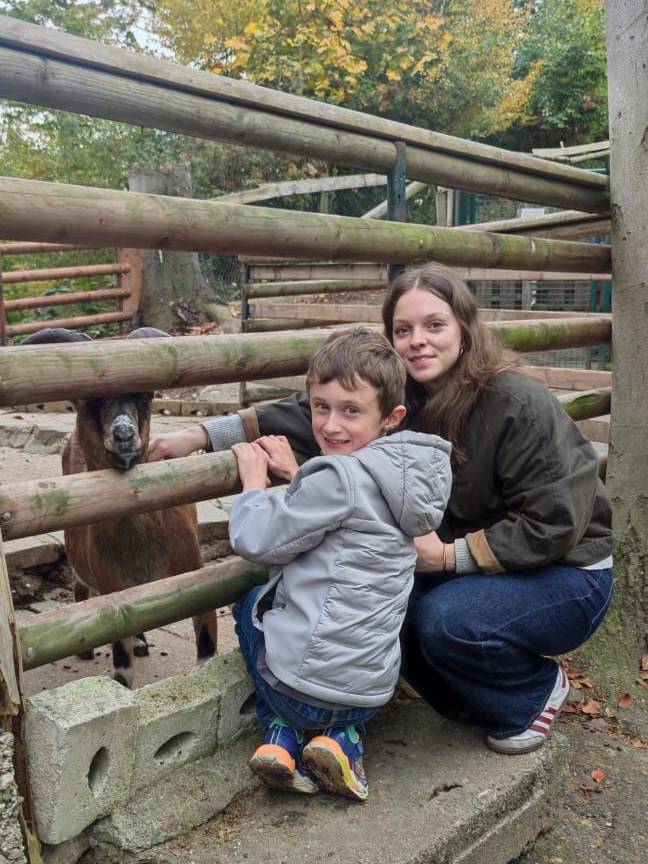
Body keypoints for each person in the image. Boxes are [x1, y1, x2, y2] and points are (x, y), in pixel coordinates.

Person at [149, 263, 614, 757]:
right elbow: (315, 412)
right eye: (402, 329)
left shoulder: (516, 402)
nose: (418, 341)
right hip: (475, 564)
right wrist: (198, 435)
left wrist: (448, 557)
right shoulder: (404, 394)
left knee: (442, 620)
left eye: (434, 325)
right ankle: (463, 696)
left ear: (464, 327)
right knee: (374, 607)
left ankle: (533, 690)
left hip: (567, 573)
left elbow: (555, 522)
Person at [226, 327, 452, 800]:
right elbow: (350, 518)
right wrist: (299, 476)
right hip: (369, 693)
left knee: (249, 602)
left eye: (351, 411)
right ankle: (343, 741)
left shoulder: (336, 478)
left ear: (391, 416)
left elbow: (257, 540)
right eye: (321, 407)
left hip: (300, 691)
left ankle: (280, 736)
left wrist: (252, 484)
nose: (330, 426)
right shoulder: (409, 478)